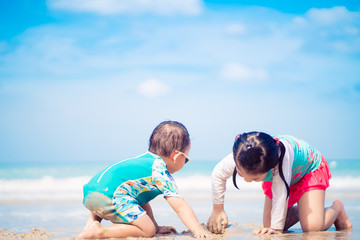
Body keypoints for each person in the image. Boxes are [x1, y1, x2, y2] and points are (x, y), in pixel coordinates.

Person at [79, 121, 210, 239]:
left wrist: (156, 226)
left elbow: (140, 200)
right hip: (111, 197)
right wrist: (196, 228)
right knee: (148, 230)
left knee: (144, 217)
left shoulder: (144, 160)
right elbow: (180, 207)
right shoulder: (160, 172)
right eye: (186, 159)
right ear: (176, 156)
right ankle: (100, 231)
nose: (185, 162)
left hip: (91, 193)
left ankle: (91, 223)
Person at [207, 131, 352, 235]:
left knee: (311, 227)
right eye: (241, 175)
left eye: (255, 179)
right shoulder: (241, 155)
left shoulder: (280, 162)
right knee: (268, 225)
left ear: (270, 168)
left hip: (308, 170)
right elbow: (218, 175)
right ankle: (304, 211)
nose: (247, 181)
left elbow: (280, 194)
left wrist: (276, 230)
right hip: (283, 177)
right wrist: (217, 209)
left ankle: (336, 209)